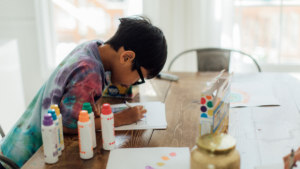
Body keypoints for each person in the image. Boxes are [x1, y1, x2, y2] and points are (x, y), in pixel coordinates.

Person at [0, 16, 167, 168]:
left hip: (13, 146)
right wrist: (120, 118)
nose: (133, 83)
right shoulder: (89, 72)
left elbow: (76, 92)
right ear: (127, 57)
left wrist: (92, 103)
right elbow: (68, 125)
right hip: (24, 160)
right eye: (139, 77)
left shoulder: (94, 47)